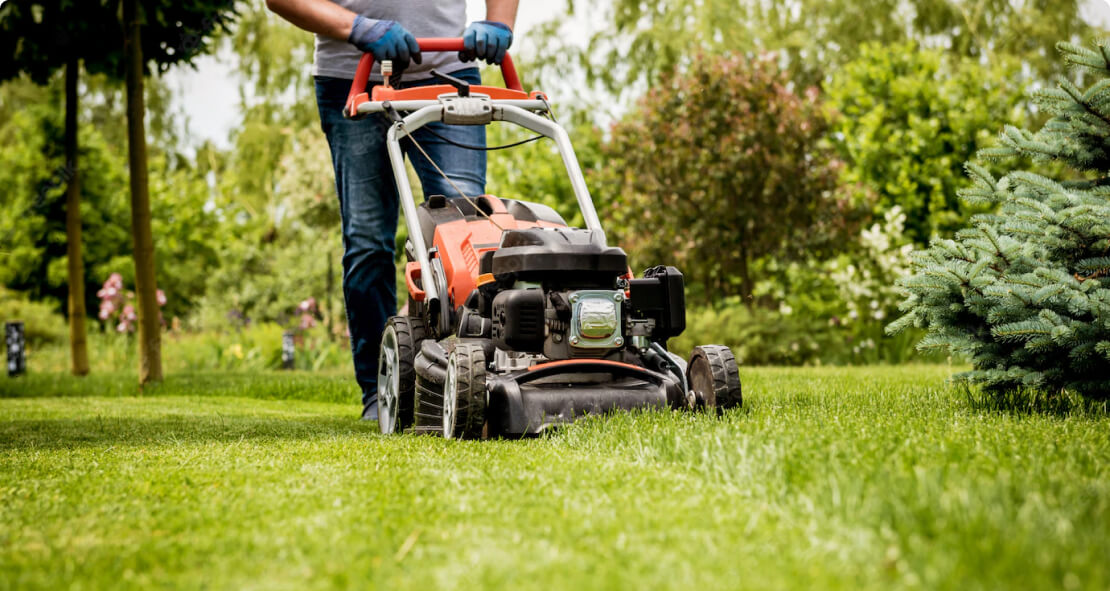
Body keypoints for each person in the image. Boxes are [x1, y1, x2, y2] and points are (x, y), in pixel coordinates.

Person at [265, 0, 519, 420]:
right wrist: (358, 27)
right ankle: (381, 388)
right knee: (367, 242)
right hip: (354, 73)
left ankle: (465, 375)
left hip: (449, 73)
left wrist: (498, 23)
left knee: (466, 235)